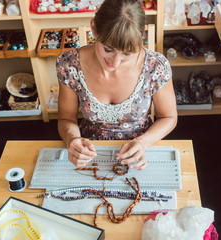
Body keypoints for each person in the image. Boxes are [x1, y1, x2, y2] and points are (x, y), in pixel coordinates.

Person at [56, 0, 177, 170]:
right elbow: (66, 118)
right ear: (93, 29)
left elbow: (169, 118)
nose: (115, 62)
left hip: (141, 152)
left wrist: (143, 142)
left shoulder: (156, 66)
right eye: (108, 49)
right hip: (90, 152)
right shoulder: (69, 64)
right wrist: (73, 140)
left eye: (127, 53)